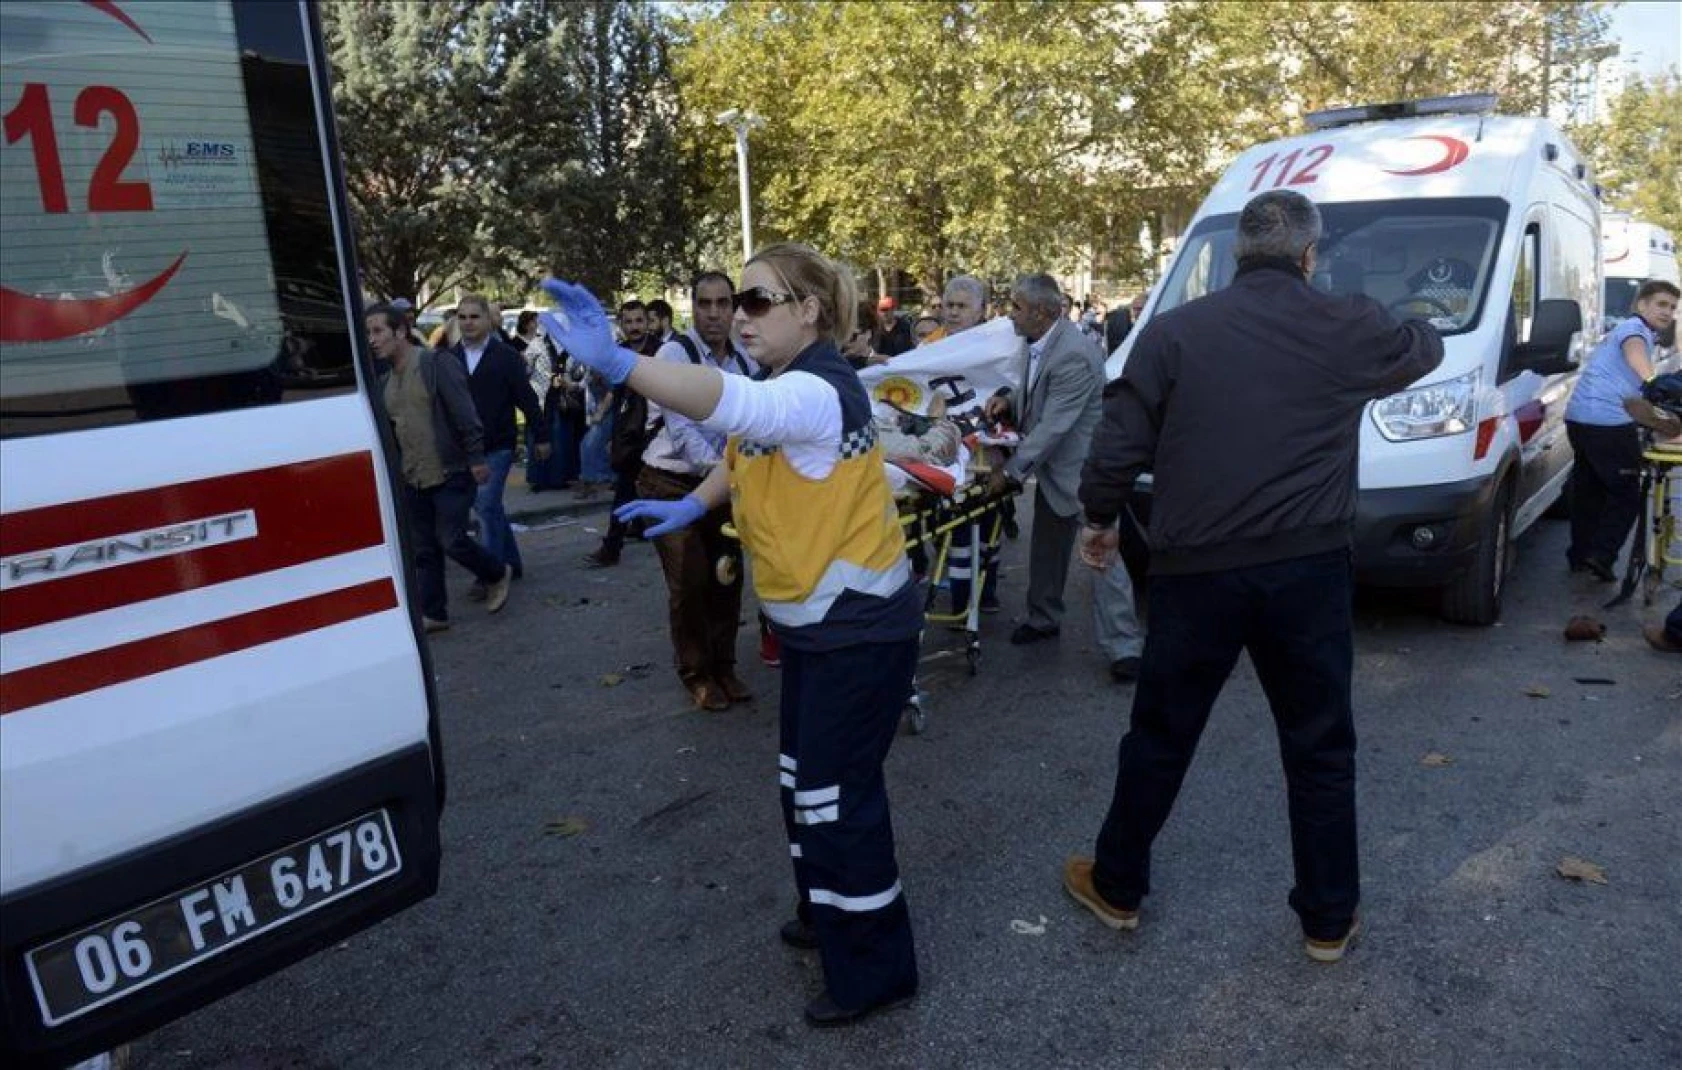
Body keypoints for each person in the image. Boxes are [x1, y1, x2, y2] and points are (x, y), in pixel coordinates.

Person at [542, 242, 922, 1028]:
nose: (740, 317)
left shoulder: (816, 389)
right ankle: (826, 910)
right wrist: (693, 504)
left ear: (808, 311)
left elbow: (735, 410)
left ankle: (877, 969)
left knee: (836, 797)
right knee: (802, 783)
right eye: (735, 301)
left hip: (856, 630)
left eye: (756, 301)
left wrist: (619, 362)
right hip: (819, 629)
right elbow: (746, 448)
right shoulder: (787, 383)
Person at [1063, 189, 1443, 962]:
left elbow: (1118, 442)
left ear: (1237, 252)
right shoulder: (1348, 324)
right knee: (1320, 746)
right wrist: (1413, 311)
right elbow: (1423, 346)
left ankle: (1118, 885)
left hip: (1196, 572)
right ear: (1309, 254)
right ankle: (1328, 920)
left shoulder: (1173, 332)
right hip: (1308, 570)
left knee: (1161, 734)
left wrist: (1099, 519)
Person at [636, 271, 758, 711]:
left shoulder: (744, 358)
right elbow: (684, 433)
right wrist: (730, 470)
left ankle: (724, 666)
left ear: (733, 307)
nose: (713, 313)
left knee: (726, 575)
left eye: (722, 303)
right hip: (670, 483)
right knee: (690, 581)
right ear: (693, 307)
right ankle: (697, 673)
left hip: (721, 481)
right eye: (704, 303)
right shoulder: (675, 353)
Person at [365, 303, 513, 632]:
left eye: (378, 331)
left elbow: (465, 413)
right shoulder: (384, 381)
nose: (372, 340)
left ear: (400, 331)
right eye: (368, 333)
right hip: (413, 476)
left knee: (452, 540)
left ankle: (495, 571)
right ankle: (434, 612)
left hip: (451, 470)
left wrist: (476, 458)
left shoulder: (434, 363)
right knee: (424, 549)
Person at [983, 273, 1104, 646]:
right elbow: (1036, 391)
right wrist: (1008, 400)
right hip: (1052, 467)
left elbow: (1053, 426)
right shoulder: (1036, 340)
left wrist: (1010, 473)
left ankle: (1125, 646)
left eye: (1016, 307)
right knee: (1048, 549)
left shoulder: (1074, 354)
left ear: (1040, 312)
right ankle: (1043, 618)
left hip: (1080, 471)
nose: (1010, 314)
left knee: (1102, 555)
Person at [1561, 278, 1680, 581]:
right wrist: (1653, 382)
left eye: (1672, 307)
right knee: (1626, 493)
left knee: (1589, 490)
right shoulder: (1634, 329)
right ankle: (1601, 557)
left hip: (1579, 418)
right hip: (1607, 421)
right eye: (1661, 304)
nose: (1667, 312)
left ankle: (1580, 556)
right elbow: (1634, 352)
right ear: (1641, 305)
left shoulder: (1629, 329)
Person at [451, 294, 548, 585]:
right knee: (490, 507)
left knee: (484, 505)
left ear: (488, 320)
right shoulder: (449, 357)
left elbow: (526, 398)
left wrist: (541, 435)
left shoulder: (505, 356)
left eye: (474, 316)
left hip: (498, 444)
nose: (468, 323)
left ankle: (491, 574)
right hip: (466, 449)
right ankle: (511, 563)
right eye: (463, 317)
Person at [518, 310, 582, 491]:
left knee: (561, 438)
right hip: (541, 400)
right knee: (541, 437)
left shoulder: (570, 347)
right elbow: (526, 370)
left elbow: (578, 371)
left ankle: (558, 478)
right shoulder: (537, 344)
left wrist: (571, 381)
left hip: (561, 400)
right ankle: (540, 478)